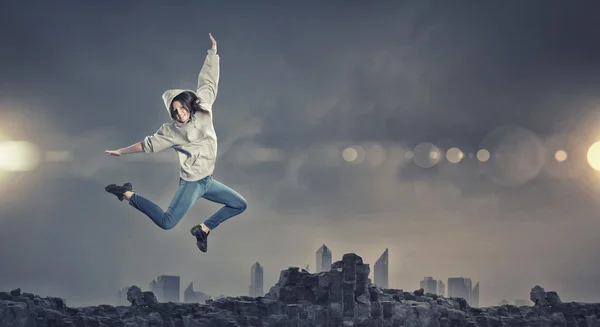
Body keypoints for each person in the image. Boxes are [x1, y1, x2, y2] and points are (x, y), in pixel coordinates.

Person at [103, 33, 247, 253]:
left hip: (208, 181)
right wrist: (120, 152)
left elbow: (208, 81)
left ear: (188, 105)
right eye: (174, 111)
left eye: (181, 108)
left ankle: (204, 229)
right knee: (167, 223)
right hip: (191, 183)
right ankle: (126, 194)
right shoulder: (172, 132)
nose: (179, 114)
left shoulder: (204, 109)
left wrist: (213, 52)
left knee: (239, 204)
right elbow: (146, 145)